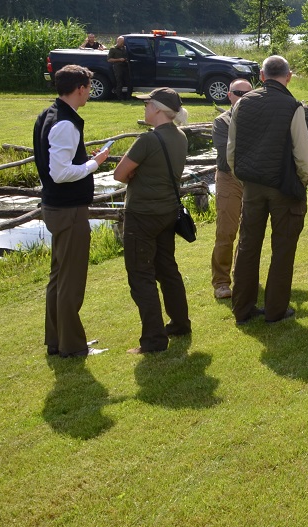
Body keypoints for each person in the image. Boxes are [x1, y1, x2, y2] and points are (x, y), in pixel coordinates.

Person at [228, 55, 308, 324]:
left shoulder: (242, 103)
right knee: (283, 249)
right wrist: (305, 179)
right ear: (288, 77)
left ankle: (242, 309)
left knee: (247, 246)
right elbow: (303, 154)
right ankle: (276, 310)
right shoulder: (292, 106)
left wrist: (242, 178)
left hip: (252, 185)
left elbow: (232, 150)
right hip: (284, 186)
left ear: (262, 76)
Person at [33, 65, 111, 358]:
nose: (89, 93)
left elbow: (55, 164)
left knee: (59, 277)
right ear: (80, 88)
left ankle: (57, 340)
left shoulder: (48, 114)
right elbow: (60, 173)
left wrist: (84, 162)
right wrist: (94, 164)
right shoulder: (65, 123)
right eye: (88, 88)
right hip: (68, 210)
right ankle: (72, 346)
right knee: (71, 280)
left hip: (56, 207)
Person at [114, 88, 191, 354]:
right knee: (167, 269)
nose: (144, 108)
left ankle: (154, 340)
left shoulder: (147, 140)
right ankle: (180, 323)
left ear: (157, 108)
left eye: (147, 103)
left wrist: (134, 173)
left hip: (142, 215)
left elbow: (119, 174)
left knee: (140, 276)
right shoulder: (180, 136)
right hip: (167, 212)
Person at [210, 78, 253, 300]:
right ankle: (221, 282)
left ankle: (242, 275)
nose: (243, 98)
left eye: (248, 94)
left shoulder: (257, 119)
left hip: (252, 181)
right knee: (226, 231)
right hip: (229, 178)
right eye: (238, 93)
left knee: (249, 231)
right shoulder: (222, 122)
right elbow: (228, 153)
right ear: (229, 95)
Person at [107, 36, 131, 100]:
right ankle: (119, 97)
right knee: (119, 82)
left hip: (125, 66)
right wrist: (119, 59)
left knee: (129, 82)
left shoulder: (125, 48)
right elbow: (109, 59)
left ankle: (128, 97)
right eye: (121, 42)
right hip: (118, 67)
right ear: (117, 41)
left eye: (123, 42)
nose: (122, 44)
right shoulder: (113, 49)